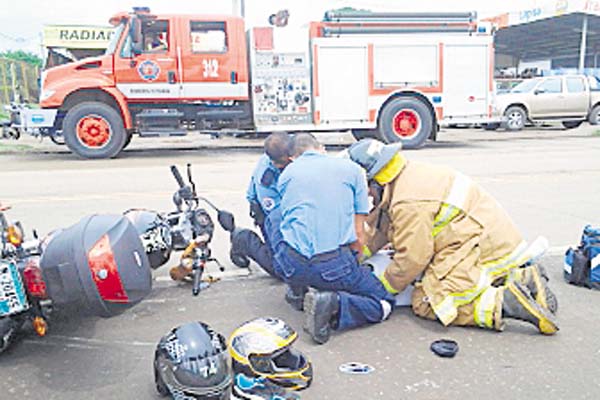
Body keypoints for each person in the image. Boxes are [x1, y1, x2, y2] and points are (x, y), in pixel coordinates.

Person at [347, 138, 559, 335]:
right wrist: (357, 255)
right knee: (443, 280)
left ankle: (506, 303)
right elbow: (384, 228)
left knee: (428, 301)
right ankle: (525, 279)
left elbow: (412, 258)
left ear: (374, 181)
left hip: (478, 245)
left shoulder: (408, 203)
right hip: (489, 238)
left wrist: (381, 288)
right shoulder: (404, 179)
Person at [271, 133, 395, 344]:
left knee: (276, 220)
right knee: (382, 302)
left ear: (293, 157)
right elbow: (358, 236)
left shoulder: (287, 174)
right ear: (322, 148)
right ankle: (333, 303)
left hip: (289, 265)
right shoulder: (353, 170)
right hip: (331, 266)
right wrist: (355, 266)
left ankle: (298, 291)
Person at [229, 132, 292, 278]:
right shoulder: (266, 178)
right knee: (282, 270)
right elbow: (277, 218)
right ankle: (243, 240)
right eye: (285, 161)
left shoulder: (293, 149)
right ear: (276, 161)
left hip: (288, 204)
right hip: (268, 212)